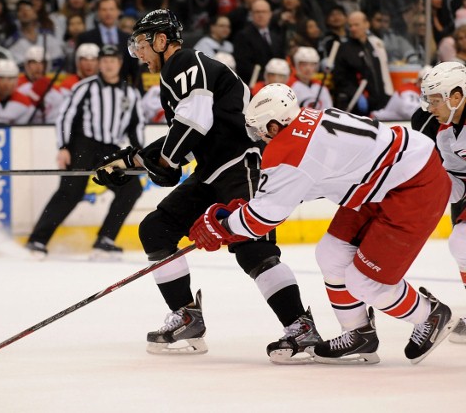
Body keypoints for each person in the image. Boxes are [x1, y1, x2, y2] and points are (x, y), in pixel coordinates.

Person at [96, 9, 322, 363]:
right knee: (157, 229)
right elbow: (186, 133)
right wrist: (129, 162)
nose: (137, 53)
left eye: (141, 44)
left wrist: (165, 162)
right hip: (214, 170)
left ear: (160, 40)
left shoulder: (184, 62)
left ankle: (300, 327)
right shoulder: (176, 74)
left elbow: (193, 122)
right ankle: (187, 317)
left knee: (252, 250)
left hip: (241, 165)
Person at [189, 83, 457, 364]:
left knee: (364, 282)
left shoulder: (289, 149)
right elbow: (306, 183)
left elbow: (262, 220)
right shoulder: (309, 118)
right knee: (331, 252)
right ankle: (359, 334)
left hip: (414, 186)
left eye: (259, 130)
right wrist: (244, 211)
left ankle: (430, 314)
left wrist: (222, 226)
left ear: (273, 126)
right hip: (384, 179)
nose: (258, 137)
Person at [26, 44, 145, 261]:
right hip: (84, 146)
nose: (109, 65)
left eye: (113, 60)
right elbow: (66, 117)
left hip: (110, 151)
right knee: (70, 192)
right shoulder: (85, 87)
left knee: (131, 188)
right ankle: (37, 240)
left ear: (119, 63)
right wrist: (63, 147)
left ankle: (105, 240)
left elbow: (136, 125)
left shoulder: (131, 93)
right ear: (100, 64)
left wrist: (139, 155)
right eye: (105, 60)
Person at [419, 61, 466, 344]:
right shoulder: (446, 133)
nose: (430, 107)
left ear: (456, 96)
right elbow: (458, 185)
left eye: (435, 100)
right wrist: (429, 189)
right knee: (461, 242)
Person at [333, 11, 392, 116]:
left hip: (378, 104)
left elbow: (380, 73)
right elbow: (339, 78)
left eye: (356, 25)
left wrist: (385, 95)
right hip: (356, 105)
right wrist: (356, 95)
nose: (353, 29)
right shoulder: (344, 49)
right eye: (350, 26)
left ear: (366, 24)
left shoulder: (373, 45)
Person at [232, 0, 285, 88]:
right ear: (251, 15)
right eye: (257, 12)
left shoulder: (276, 36)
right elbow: (243, 64)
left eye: (264, 12)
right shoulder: (243, 36)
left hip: (277, 84)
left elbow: (281, 59)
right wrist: (266, 79)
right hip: (254, 85)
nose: (261, 15)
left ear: (270, 14)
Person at [17, 46, 64, 124]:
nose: (38, 67)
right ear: (27, 65)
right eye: (34, 62)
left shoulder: (55, 89)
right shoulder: (17, 87)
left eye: (42, 63)